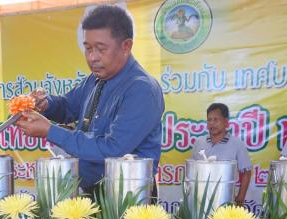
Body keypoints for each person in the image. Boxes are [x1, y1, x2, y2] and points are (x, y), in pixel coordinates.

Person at [16, 4, 164, 197]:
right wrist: (46, 104)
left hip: (127, 198)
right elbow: (68, 106)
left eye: (101, 49)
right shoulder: (95, 80)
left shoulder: (142, 89)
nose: (92, 57)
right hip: (90, 192)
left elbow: (112, 149)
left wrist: (50, 131)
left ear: (126, 46)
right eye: (88, 49)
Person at [191, 103, 252, 205]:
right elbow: (192, 171)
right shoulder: (199, 143)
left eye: (216, 119)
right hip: (200, 201)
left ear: (226, 122)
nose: (212, 123)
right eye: (209, 120)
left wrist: (240, 198)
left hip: (225, 200)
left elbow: (246, 173)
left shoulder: (237, 144)